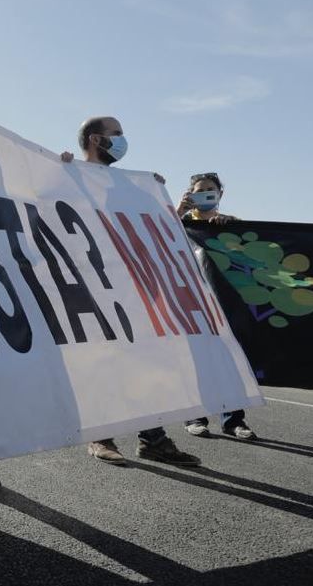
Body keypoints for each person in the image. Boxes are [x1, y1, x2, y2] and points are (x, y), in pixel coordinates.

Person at [64, 116, 201, 467]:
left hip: (135, 289)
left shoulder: (128, 187)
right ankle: (100, 436)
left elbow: (158, 226)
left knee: (149, 362)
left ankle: (153, 439)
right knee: (104, 360)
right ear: (96, 140)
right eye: (117, 135)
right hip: (93, 287)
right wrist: (57, 174)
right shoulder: (69, 175)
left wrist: (168, 200)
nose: (123, 140)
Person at [176, 172, 257, 440]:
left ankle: (233, 420)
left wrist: (232, 228)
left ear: (220, 194)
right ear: (190, 194)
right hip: (190, 302)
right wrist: (178, 212)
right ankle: (194, 416)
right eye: (200, 190)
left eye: (211, 189)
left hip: (224, 303)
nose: (206, 194)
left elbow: (249, 258)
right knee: (197, 360)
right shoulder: (180, 223)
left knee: (230, 361)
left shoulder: (232, 225)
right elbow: (157, 240)